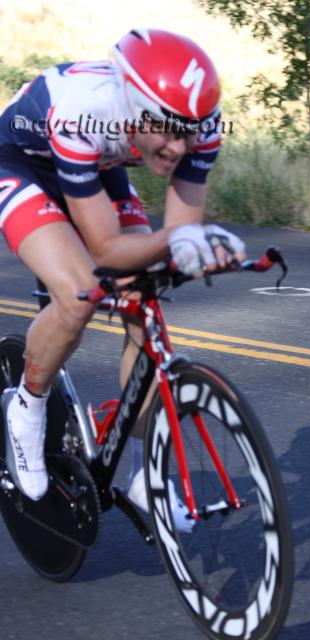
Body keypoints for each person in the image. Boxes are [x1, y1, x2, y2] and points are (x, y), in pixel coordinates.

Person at [0, 28, 245, 533]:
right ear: (134, 105)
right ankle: (25, 408)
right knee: (78, 296)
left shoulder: (201, 123)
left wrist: (201, 249)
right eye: (168, 130)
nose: (178, 147)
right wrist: (182, 242)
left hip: (99, 162)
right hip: (22, 161)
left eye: (188, 132)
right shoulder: (82, 110)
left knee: (143, 297)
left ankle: (145, 476)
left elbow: (179, 235)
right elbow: (109, 250)